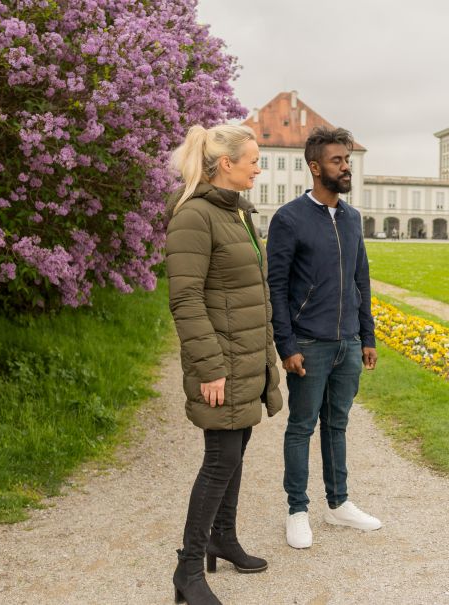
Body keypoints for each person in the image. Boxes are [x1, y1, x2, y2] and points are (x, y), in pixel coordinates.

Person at [165, 124, 284, 604]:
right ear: (226, 164)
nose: (260, 167)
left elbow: (245, 292)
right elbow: (186, 299)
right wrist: (211, 366)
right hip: (221, 363)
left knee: (235, 456)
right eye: (253, 159)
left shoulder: (236, 214)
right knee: (220, 461)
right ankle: (188, 570)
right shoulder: (194, 217)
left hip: (245, 357)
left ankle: (223, 538)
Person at [267, 127, 380, 550]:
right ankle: (297, 510)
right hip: (309, 345)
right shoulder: (289, 218)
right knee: (301, 427)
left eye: (347, 160)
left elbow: (361, 279)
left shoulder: (352, 218)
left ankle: (339, 504)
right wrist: (287, 346)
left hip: (347, 343)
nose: (346, 166)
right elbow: (276, 288)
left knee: (338, 424)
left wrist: (366, 335)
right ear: (315, 167)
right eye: (337, 161)